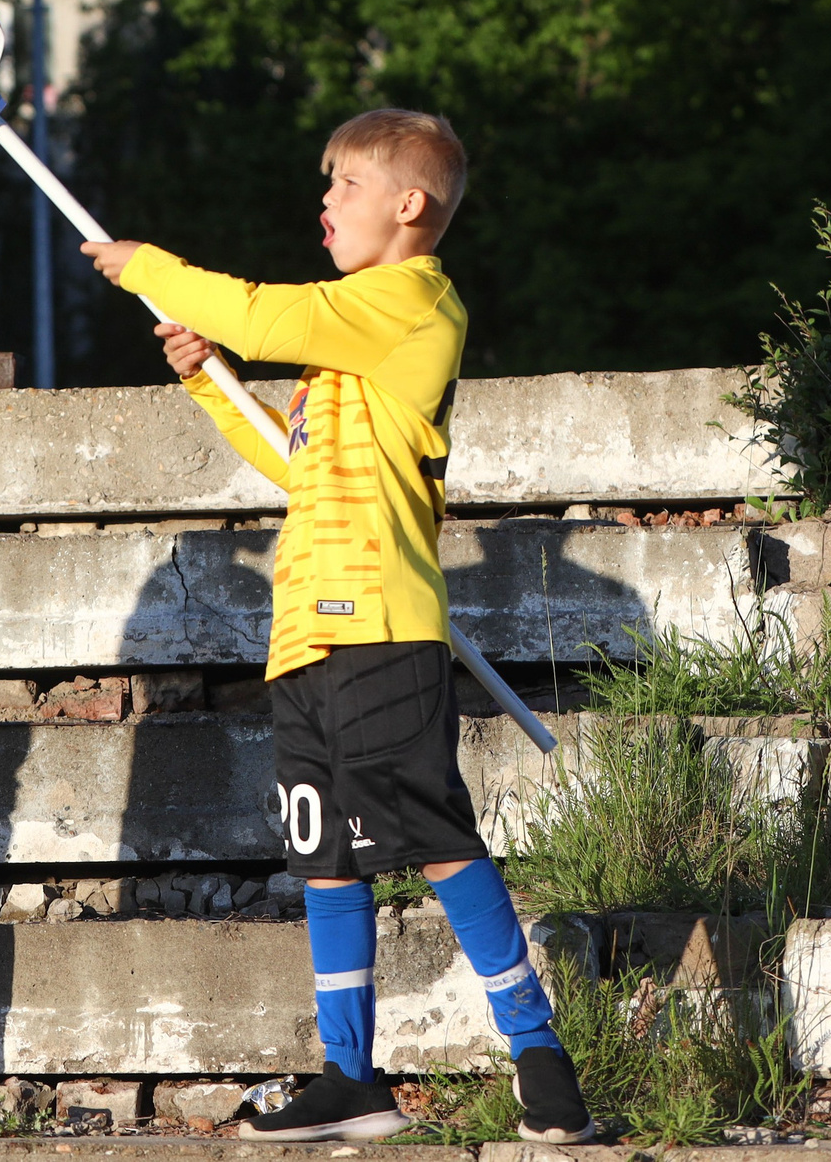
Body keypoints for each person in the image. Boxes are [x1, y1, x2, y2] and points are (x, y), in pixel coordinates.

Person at [81, 109, 595, 1146]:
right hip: (303, 638)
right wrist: (204, 380)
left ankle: (539, 1054)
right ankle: (350, 1075)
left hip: (380, 626)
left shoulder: (409, 301)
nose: (325, 201)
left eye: (345, 185)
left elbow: (263, 315)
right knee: (323, 858)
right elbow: (293, 458)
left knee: (435, 837)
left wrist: (152, 268)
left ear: (409, 205)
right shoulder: (347, 349)